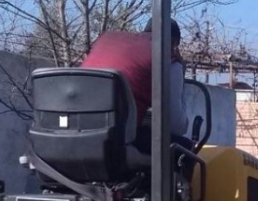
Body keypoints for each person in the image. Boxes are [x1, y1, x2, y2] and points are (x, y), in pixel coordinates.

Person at [81, 18, 188, 153]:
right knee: (184, 149)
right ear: (174, 43)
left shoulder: (107, 41)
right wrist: (181, 73)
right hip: (116, 139)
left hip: (75, 129)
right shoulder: (167, 59)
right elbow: (176, 125)